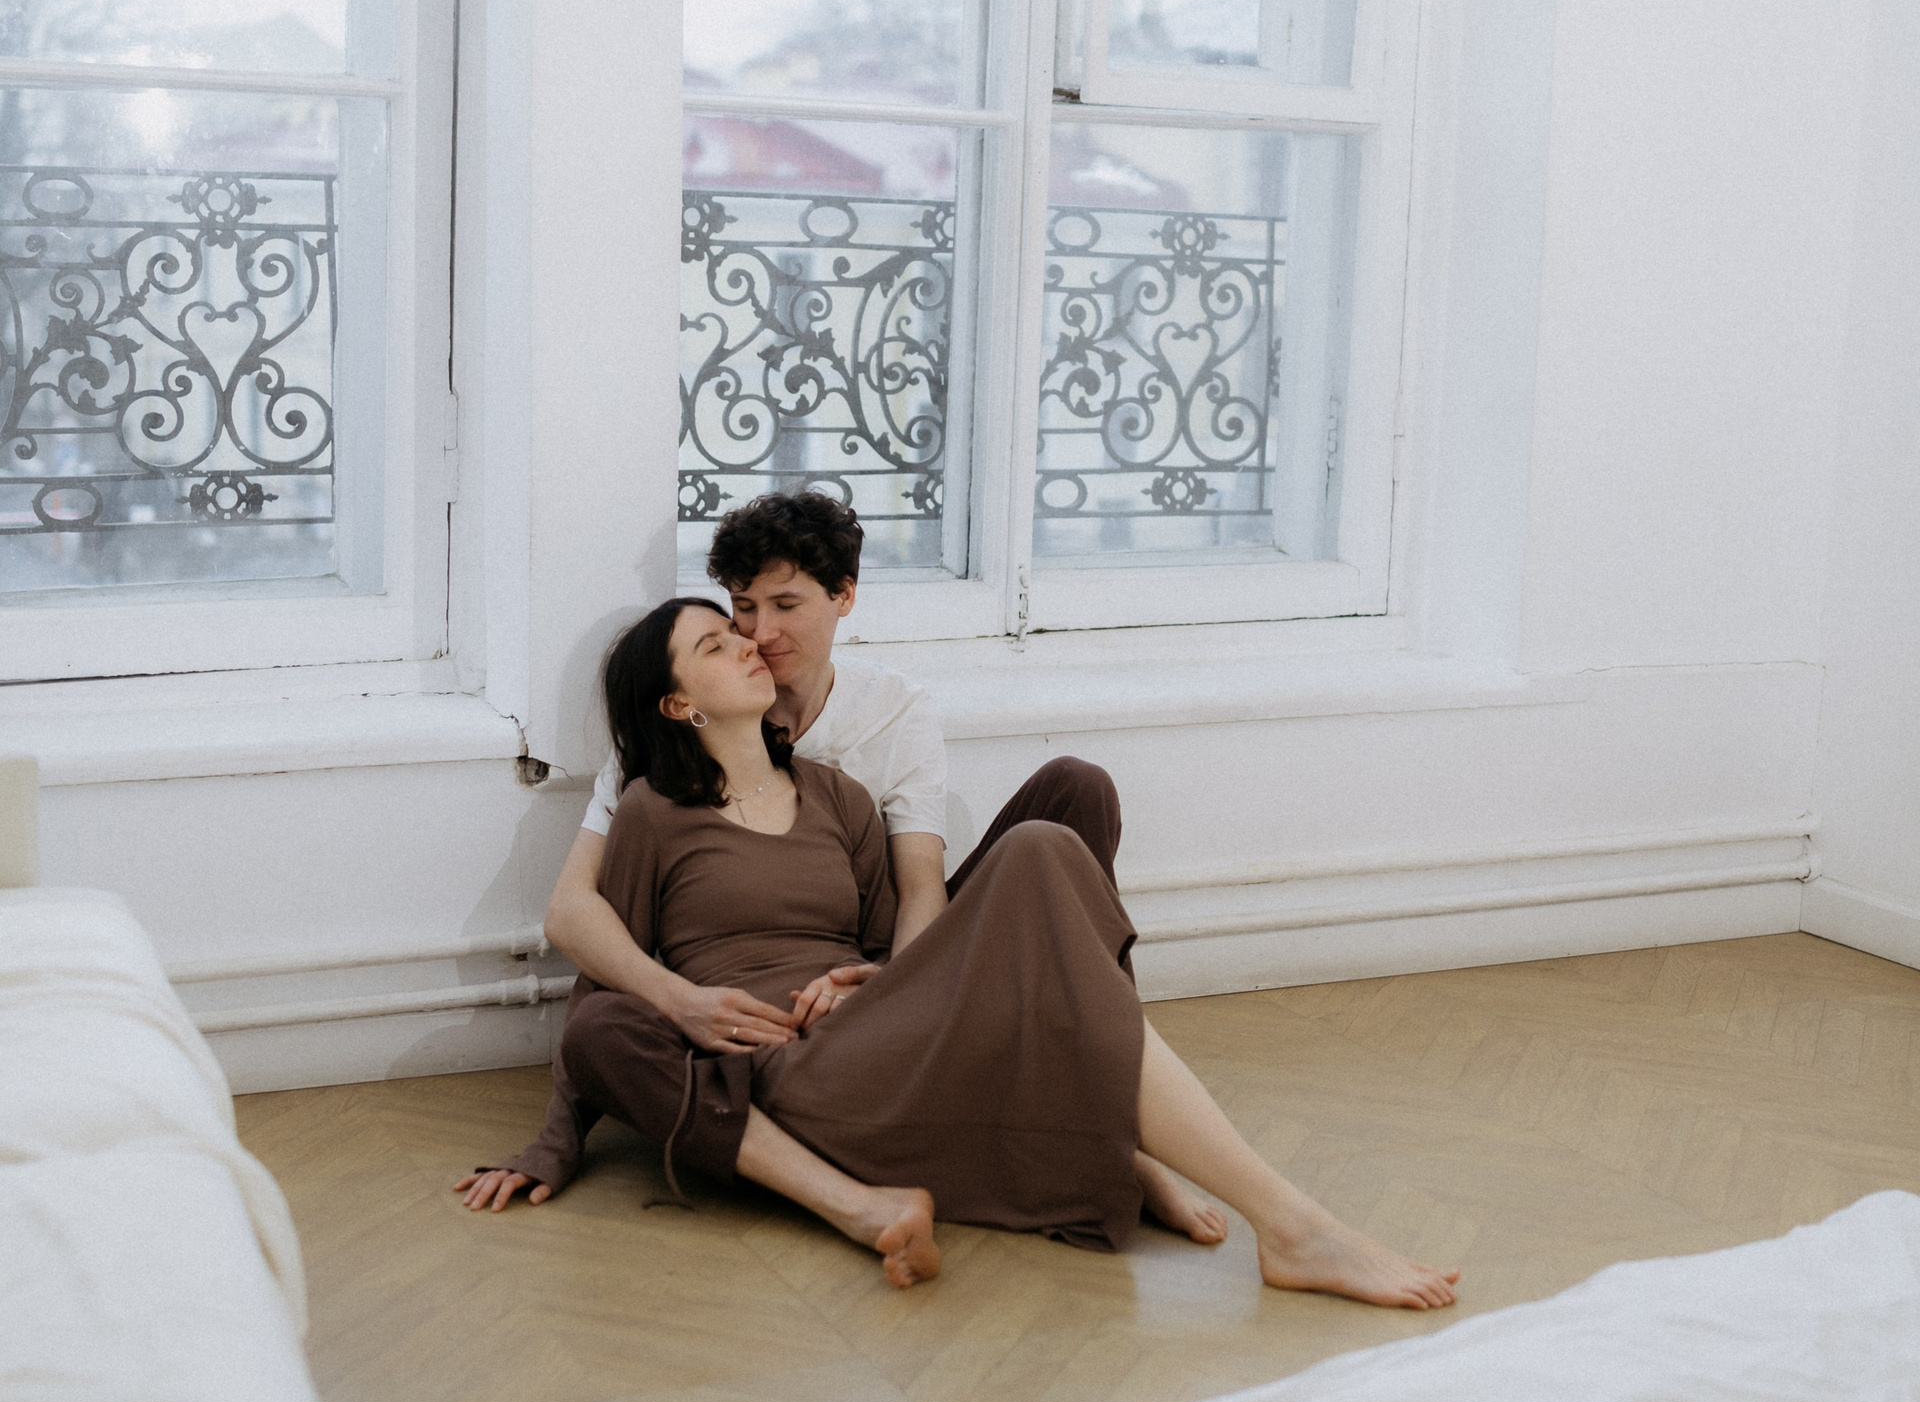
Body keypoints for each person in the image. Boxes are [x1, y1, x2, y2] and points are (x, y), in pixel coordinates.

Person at [456, 598, 1460, 1314]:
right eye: (717, 645)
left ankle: (1246, 1200)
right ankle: (1280, 1220)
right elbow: (602, 981)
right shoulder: (652, 813)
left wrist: (878, 978)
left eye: (746, 629)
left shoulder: (840, 798)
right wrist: (557, 1140)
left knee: (1048, 840)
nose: (751, 644)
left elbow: (896, 943)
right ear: (680, 705)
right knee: (603, 1024)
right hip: (789, 1073)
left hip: (878, 1036)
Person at [544, 488, 1124, 1031]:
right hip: (753, 977)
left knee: (1076, 788)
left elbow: (919, 887)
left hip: (893, 946)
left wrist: (892, 991)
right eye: (743, 607)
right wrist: (679, 1000)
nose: (760, 632)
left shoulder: (894, 709)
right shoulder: (694, 713)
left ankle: (1108, 1033)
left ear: (843, 595)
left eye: (786, 604)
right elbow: (571, 908)